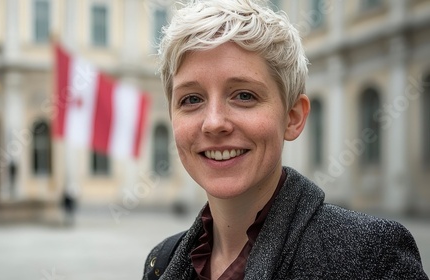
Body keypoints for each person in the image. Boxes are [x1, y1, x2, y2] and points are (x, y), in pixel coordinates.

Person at [142, 0, 428, 279]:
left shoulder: (373, 260)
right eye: (191, 99)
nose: (214, 123)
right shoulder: (161, 261)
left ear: (293, 117)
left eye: (244, 95)